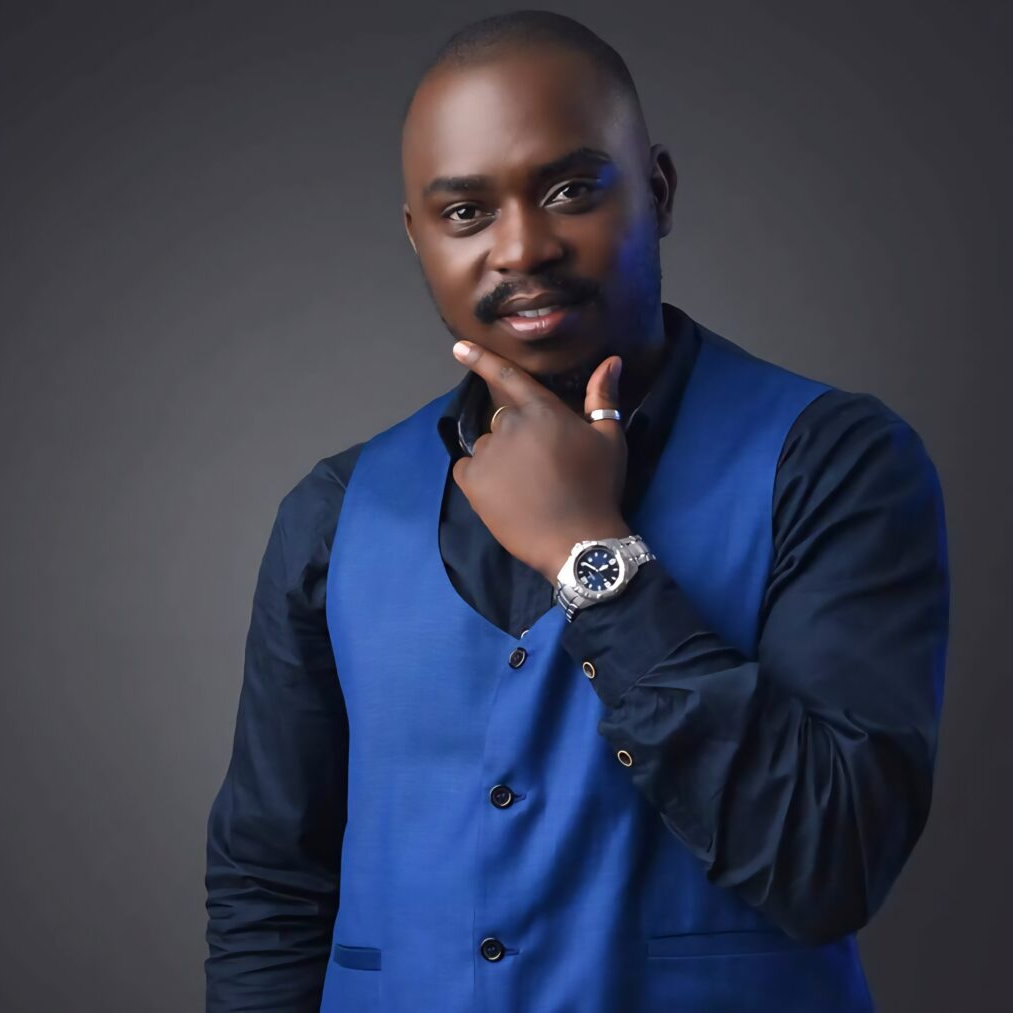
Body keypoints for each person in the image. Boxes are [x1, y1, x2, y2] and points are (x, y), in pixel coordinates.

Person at [205, 11, 949, 1012]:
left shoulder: (832, 462)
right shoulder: (333, 514)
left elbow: (831, 863)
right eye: (466, 211)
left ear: (659, 190)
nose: (522, 246)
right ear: (418, 237)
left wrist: (589, 551)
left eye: (570, 190)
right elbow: (269, 887)